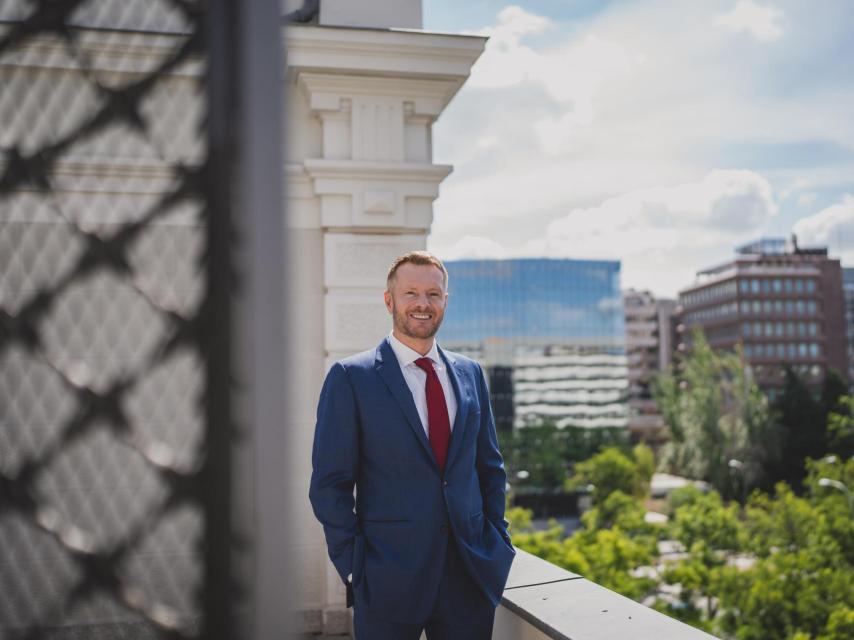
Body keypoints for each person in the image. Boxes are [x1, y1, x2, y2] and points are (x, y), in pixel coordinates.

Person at [309, 250, 515, 639]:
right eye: (411, 293)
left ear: (445, 301)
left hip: (469, 575)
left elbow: (490, 468)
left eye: (433, 294)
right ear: (390, 301)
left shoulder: (471, 373)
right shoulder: (351, 378)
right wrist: (354, 567)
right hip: (386, 578)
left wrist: (497, 542)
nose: (423, 303)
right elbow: (329, 484)